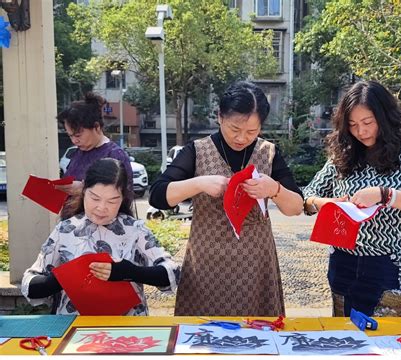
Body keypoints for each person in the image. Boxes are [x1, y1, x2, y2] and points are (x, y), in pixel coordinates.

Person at [149, 81, 304, 316]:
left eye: (252, 132)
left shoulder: (268, 152)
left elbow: (296, 208)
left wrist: (275, 189)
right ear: (220, 117)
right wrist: (198, 183)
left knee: (256, 336)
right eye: (234, 129)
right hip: (206, 264)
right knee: (202, 340)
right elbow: (157, 196)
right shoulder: (197, 150)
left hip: (255, 265)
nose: (242, 138)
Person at [303, 80, 401, 317]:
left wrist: (384, 195)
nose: (361, 131)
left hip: (391, 264)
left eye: (368, 122)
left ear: (385, 118)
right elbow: (307, 197)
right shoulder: (343, 156)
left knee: (387, 341)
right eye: (353, 125)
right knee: (346, 338)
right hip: (344, 261)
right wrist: (326, 204)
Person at [21, 158, 180, 315]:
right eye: (95, 198)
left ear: (123, 198)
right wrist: (60, 279)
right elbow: (30, 283)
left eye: (112, 201)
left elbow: (171, 272)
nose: (102, 208)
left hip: (127, 328)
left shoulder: (135, 230)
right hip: (74, 329)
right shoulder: (66, 230)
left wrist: (130, 272)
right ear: (83, 191)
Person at [55, 92, 133, 217]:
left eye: (78, 135)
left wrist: (84, 189)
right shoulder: (78, 152)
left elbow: (123, 199)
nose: (74, 141)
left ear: (96, 127)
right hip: (72, 225)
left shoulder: (115, 155)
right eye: (70, 136)